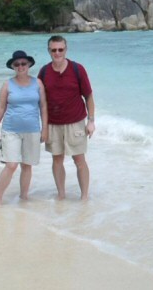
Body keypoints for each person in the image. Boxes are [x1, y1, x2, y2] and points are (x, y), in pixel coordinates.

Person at [38, 35, 95, 200]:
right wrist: (43, 127)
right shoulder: (44, 72)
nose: (57, 53)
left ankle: (84, 196)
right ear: (49, 51)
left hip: (75, 123)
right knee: (57, 160)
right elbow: (40, 102)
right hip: (53, 125)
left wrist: (91, 121)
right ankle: (61, 195)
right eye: (53, 50)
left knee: (79, 160)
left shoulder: (78, 69)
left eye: (60, 49)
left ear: (66, 49)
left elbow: (89, 97)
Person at [0, 50, 48, 204]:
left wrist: (45, 128)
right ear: (13, 67)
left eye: (23, 63)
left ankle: (24, 196)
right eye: (17, 64)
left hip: (33, 130)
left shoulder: (38, 83)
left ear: (28, 64)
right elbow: (1, 107)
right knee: (11, 165)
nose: (21, 66)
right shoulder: (7, 84)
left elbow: (43, 106)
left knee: (27, 165)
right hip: (11, 130)